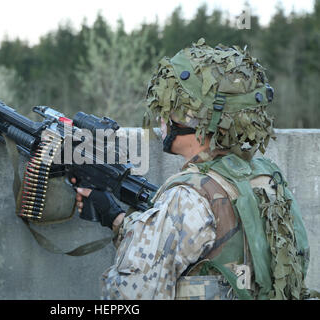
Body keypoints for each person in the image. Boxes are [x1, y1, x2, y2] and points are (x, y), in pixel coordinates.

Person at [72, 38, 312, 300]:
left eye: (168, 108)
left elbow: (132, 294)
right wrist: (116, 218)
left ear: (191, 118)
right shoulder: (264, 175)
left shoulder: (188, 197)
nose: (161, 118)